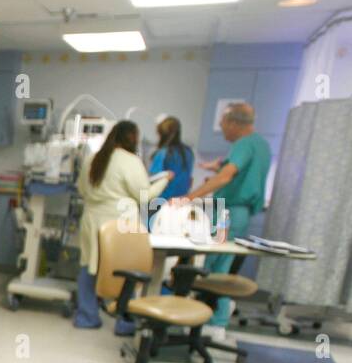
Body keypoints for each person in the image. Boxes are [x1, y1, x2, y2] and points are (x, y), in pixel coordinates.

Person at [173, 102, 272, 335]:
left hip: (229, 211)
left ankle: (214, 323)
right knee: (221, 268)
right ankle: (213, 320)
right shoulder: (261, 144)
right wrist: (217, 167)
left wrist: (189, 198)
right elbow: (232, 170)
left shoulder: (244, 144)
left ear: (234, 123)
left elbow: (227, 177)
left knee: (214, 271)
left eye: (223, 125)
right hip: (237, 212)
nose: (222, 130)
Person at [74, 120, 171, 331]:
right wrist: (164, 180)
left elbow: (82, 189)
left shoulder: (93, 158)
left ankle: (86, 316)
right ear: (133, 138)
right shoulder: (130, 161)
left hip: (91, 220)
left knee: (89, 266)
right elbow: (145, 196)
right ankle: (124, 321)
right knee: (127, 271)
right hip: (119, 223)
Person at [148, 116, 194, 200]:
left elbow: (153, 181)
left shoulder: (162, 153)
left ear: (160, 134)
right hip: (181, 202)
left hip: (161, 203)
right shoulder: (188, 152)